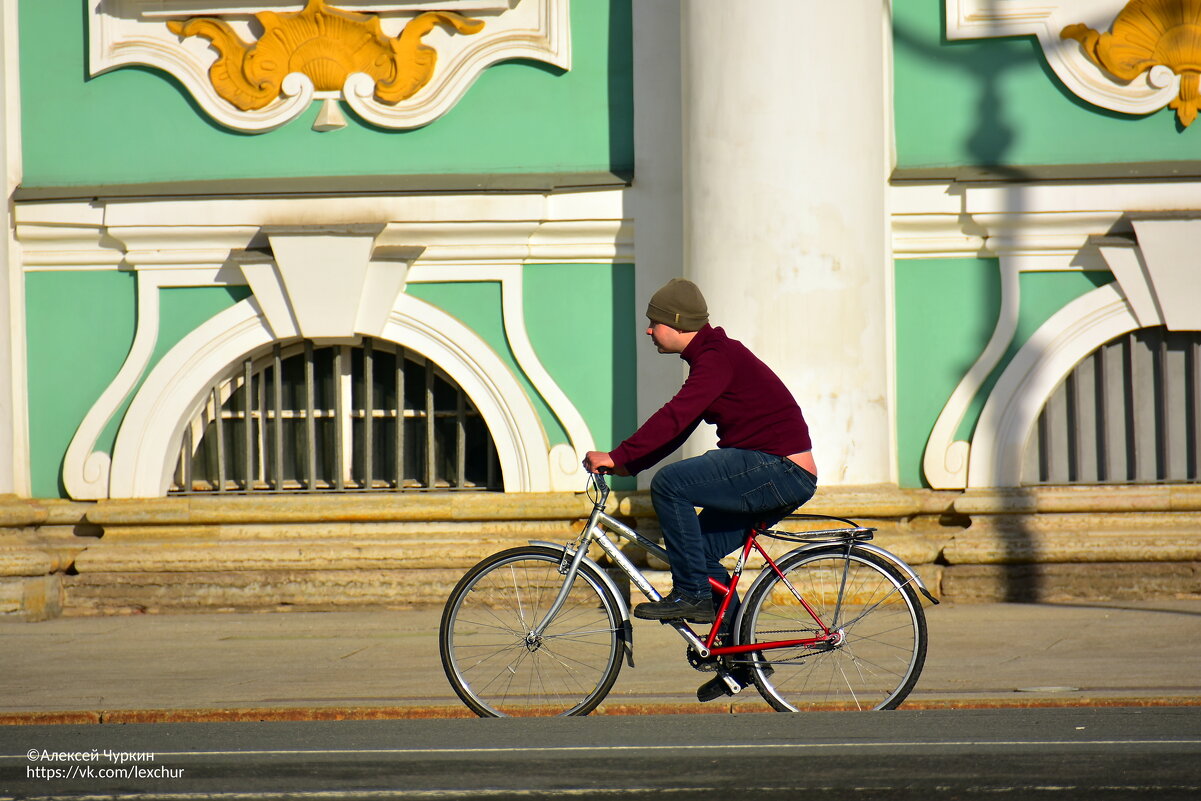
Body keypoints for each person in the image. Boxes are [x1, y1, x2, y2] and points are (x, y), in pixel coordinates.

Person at [584, 277, 818, 701]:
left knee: (671, 484)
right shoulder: (713, 358)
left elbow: (675, 417)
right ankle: (741, 661)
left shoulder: (716, 359)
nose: (649, 331)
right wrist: (625, 463)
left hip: (779, 469)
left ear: (675, 322)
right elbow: (680, 427)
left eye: (654, 322)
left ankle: (691, 594)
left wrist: (619, 456)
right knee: (700, 554)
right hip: (775, 470)